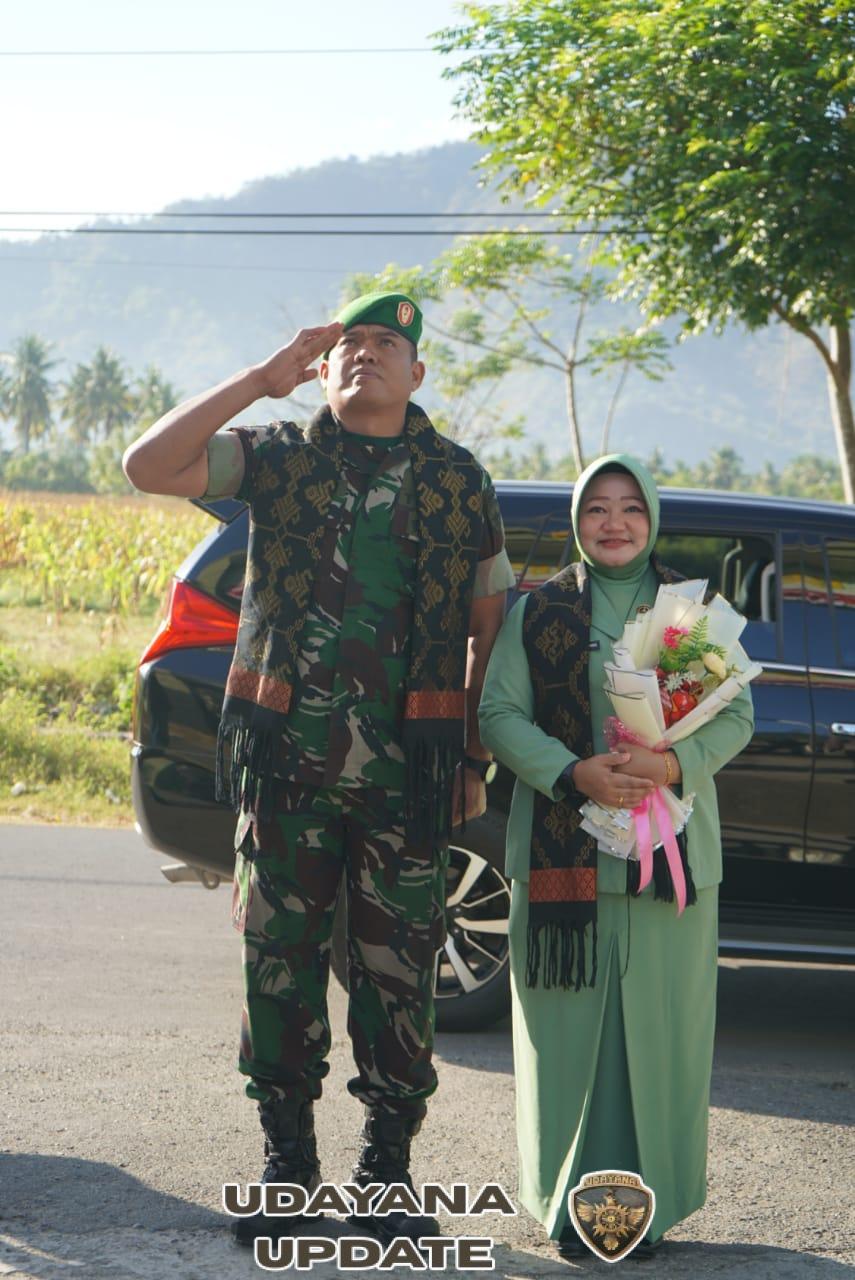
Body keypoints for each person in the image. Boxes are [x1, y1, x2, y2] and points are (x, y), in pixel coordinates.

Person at [122, 292, 515, 1246]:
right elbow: (148, 465)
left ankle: (387, 1173)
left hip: (406, 775)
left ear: (416, 374)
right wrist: (261, 379)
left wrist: (469, 752)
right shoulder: (278, 460)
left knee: (398, 973)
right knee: (278, 968)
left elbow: (487, 625)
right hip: (285, 765)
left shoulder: (459, 482)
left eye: (385, 343)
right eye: (346, 344)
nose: (363, 355)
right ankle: (287, 1164)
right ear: (322, 367)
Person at [478, 453, 754, 1260]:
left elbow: (733, 720)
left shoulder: (689, 614)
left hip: (668, 859)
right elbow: (497, 713)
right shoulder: (539, 612)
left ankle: (651, 1208)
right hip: (566, 857)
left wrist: (672, 765)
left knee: (661, 1035)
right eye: (596, 507)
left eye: (629, 507)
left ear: (652, 518)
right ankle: (571, 1208)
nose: (613, 522)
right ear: (576, 520)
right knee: (568, 1037)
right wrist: (572, 774)